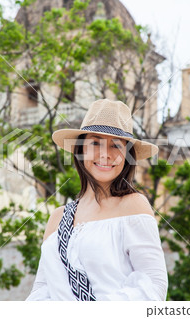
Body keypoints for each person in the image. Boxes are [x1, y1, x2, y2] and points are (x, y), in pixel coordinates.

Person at [26, 99, 168, 301]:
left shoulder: (133, 205)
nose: (105, 154)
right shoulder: (58, 218)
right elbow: (42, 289)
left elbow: (154, 285)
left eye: (116, 145)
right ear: (81, 149)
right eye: (95, 142)